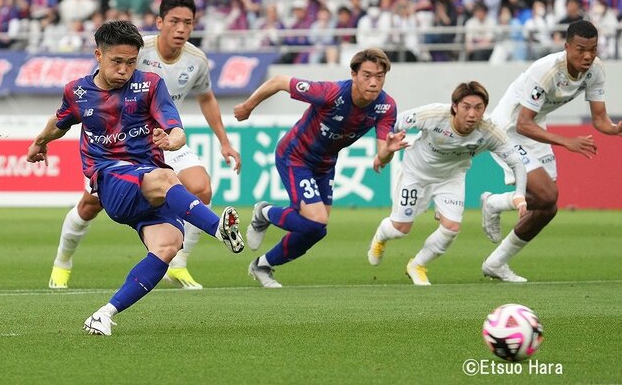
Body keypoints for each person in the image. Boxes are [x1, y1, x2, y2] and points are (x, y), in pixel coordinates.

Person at [26, 20, 244, 336]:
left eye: (131, 62)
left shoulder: (150, 85)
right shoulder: (78, 92)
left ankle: (103, 314)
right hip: (111, 178)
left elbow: (176, 128)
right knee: (169, 180)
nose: (125, 70)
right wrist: (39, 143)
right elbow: (59, 123)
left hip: (147, 181)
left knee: (168, 247)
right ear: (98, 55)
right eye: (117, 61)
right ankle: (218, 229)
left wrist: (173, 141)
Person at [234, 48, 407, 288]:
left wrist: (388, 151)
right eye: (367, 75)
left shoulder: (385, 106)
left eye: (380, 76)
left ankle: (263, 265)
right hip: (295, 156)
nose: (374, 82)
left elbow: (381, 154)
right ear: (354, 74)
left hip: (325, 165)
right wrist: (248, 106)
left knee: (316, 230)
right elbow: (279, 81)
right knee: (316, 221)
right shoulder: (331, 93)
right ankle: (264, 213)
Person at [481, 20, 622, 281]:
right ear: (567, 46)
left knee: (547, 207)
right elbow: (522, 123)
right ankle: (493, 203)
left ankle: (495, 263)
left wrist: (615, 129)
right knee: (547, 194)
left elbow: (600, 118)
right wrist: (566, 141)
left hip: (534, 128)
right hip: (507, 130)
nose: (588, 56)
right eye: (581, 49)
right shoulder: (545, 70)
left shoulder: (595, 70)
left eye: (593, 49)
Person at [366, 81, 528, 286]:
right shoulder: (433, 115)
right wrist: (384, 151)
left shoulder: (489, 131)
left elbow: (517, 163)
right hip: (415, 173)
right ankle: (381, 236)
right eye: (466, 107)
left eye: (478, 108)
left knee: (451, 228)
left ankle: (417, 265)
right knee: (400, 229)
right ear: (454, 107)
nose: (472, 114)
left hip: (451, 177)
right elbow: (390, 123)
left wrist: (520, 194)